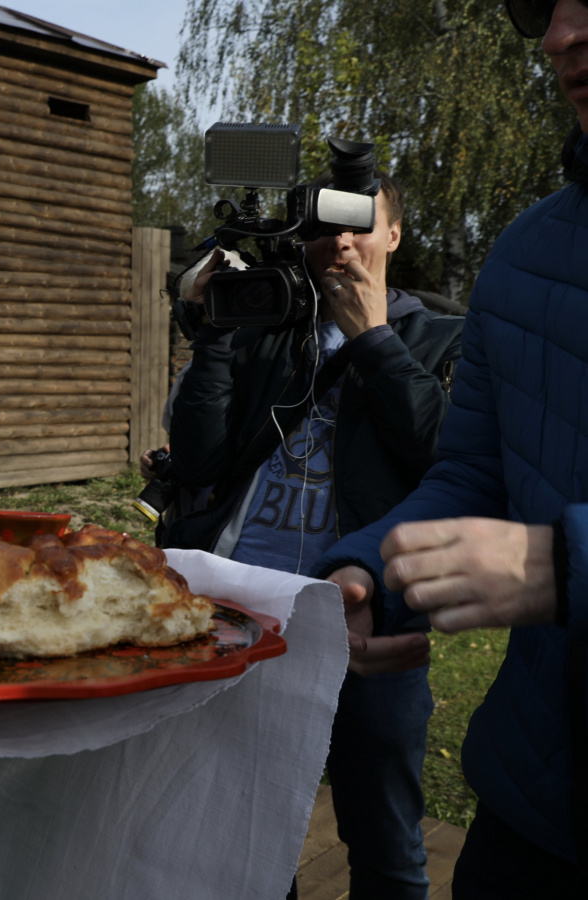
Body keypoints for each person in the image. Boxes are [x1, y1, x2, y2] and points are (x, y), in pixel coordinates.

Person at [318, 2, 588, 895]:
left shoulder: (434, 327)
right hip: (533, 808)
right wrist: (373, 572)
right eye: (541, 8)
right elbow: (473, 470)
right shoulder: (525, 256)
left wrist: (568, 565)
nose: (557, 38)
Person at [161, 174, 463, 899]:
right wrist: (216, 338)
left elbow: (448, 456)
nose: (343, 242)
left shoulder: (443, 336)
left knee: (386, 847)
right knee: (244, 843)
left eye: (361, 224)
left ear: (393, 234)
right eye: (324, 229)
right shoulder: (266, 325)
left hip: (363, 619)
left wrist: (373, 338)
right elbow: (198, 458)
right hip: (244, 618)